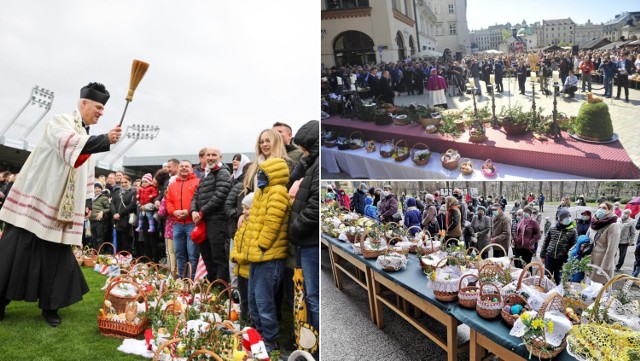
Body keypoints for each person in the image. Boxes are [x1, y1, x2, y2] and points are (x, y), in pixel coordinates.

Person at [0, 82, 122, 326]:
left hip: (63, 209)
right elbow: (69, 146)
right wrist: (105, 139)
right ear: (83, 103)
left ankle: (50, 306)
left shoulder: (86, 135)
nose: (101, 112)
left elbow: (86, 170)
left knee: (56, 254)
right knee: (16, 250)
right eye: (98, 107)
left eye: (103, 109)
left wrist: (87, 200)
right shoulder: (60, 121)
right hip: (40, 198)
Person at [245, 158, 291, 354]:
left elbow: (272, 223)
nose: (260, 176)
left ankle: (271, 343)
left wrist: (262, 246)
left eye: (263, 172)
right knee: (253, 300)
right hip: (257, 256)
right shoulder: (262, 193)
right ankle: (258, 337)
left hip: (268, 257)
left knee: (264, 302)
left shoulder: (278, 192)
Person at [287, 120, 319, 354]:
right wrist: (305, 160)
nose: (302, 152)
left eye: (305, 148)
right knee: (306, 295)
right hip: (304, 241)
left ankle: (319, 349)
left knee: (314, 297)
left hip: (309, 241)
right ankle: (310, 345)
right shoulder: (310, 163)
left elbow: (315, 206)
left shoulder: (318, 164)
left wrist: (295, 229)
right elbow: (291, 180)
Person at [190, 147, 232, 283]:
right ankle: (212, 285)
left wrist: (201, 212)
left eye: (214, 155)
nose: (210, 157)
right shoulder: (206, 174)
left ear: (220, 157)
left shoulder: (223, 172)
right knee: (207, 255)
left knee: (218, 256)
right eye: (208, 155)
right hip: (204, 221)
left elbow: (221, 194)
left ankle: (221, 288)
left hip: (217, 221)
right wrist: (193, 211)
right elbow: (196, 195)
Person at [166, 160, 200, 279]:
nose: (184, 168)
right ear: (178, 168)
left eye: (187, 166)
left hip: (192, 223)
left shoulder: (197, 182)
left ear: (191, 169)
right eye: (182, 166)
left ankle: (191, 279)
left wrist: (189, 211)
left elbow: (199, 201)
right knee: (179, 253)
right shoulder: (172, 185)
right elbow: (168, 201)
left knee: (192, 254)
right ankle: (181, 279)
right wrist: (173, 212)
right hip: (177, 224)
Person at [230, 192, 254, 324]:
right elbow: (237, 241)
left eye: (247, 208)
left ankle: (249, 321)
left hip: (248, 268)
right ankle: (243, 319)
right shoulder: (243, 223)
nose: (244, 211)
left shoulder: (254, 225)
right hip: (240, 268)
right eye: (243, 208)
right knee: (243, 296)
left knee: (250, 298)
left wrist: (236, 257)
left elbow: (250, 248)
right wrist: (233, 255)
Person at [541, 208, 578, 285]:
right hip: (549, 257)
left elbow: (574, 246)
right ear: (560, 219)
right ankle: (547, 293)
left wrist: (569, 259)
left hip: (562, 259)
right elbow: (546, 242)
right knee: (546, 277)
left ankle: (558, 293)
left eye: (568, 217)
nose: (567, 219)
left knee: (559, 278)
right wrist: (542, 255)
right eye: (565, 217)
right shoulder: (553, 229)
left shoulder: (573, 231)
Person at [587, 202, 621, 283]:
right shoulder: (594, 222)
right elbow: (588, 238)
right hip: (591, 259)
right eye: (599, 207)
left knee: (601, 289)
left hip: (602, 261)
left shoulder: (613, 225)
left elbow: (612, 249)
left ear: (610, 210)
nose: (600, 210)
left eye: (604, 208)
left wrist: (604, 268)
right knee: (590, 286)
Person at [110, 175, 137, 254]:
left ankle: (125, 258)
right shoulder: (117, 192)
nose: (123, 184)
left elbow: (132, 205)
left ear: (130, 182)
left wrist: (120, 214)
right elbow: (112, 203)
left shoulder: (133, 192)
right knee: (117, 241)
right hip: (116, 221)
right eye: (122, 182)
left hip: (125, 220)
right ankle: (118, 257)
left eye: (126, 182)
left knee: (125, 241)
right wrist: (114, 213)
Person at [90, 182, 110, 250]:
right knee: (93, 237)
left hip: (100, 220)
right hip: (92, 220)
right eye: (95, 188)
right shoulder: (91, 197)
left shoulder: (104, 197)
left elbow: (109, 208)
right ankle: (95, 253)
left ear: (101, 189)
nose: (97, 189)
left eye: (99, 188)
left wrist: (102, 212)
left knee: (100, 237)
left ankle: (100, 253)